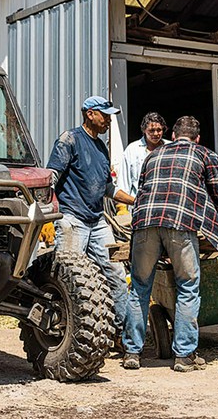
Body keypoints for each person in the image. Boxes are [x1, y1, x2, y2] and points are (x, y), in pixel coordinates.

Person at [121, 116, 218, 372]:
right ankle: (184, 357)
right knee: (187, 286)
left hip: (144, 223)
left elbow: (142, 190)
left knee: (139, 287)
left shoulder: (154, 155)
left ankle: (131, 353)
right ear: (197, 138)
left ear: (172, 136)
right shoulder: (204, 154)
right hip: (181, 225)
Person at [46, 95, 135, 342]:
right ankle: (61, 331)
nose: (108, 120)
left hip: (97, 221)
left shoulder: (101, 148)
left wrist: (135, 201)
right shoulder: (70, 140)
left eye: (109, 115)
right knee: (68, 277)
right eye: (104, 115)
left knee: (116, 274)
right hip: (72, 219)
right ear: (89, 114)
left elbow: (109, 188)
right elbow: (52, 175)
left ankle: (123, 335)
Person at [115, 112, 170, 202]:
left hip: (164, 204)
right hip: (139, 205)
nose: (156, 134)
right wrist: (123, 208)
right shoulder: (132, 150)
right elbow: (124, 183)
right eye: (151, 130)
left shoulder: (170, 147)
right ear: (144, 130)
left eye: (159, 130)